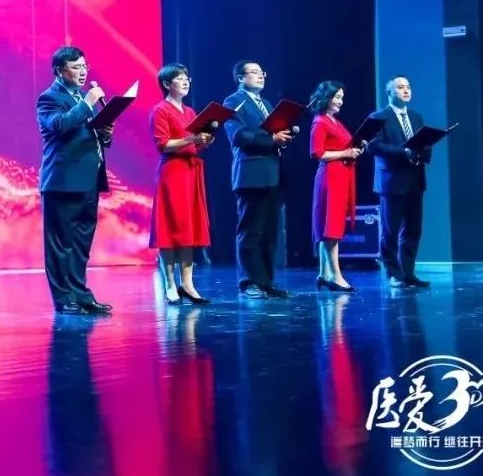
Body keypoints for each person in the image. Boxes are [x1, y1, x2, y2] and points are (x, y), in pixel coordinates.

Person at [37, 46, 114, 314]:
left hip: (89, 179)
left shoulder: (82, 98)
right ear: (60, 71)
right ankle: (64, 298)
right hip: (63, 181)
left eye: (84, 66)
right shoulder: (49, 98)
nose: (83, 72)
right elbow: (59, 125)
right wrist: (88, 103)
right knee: (60, 244)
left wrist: (105, 133)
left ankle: (81, 294)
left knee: (81, 242)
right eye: (76, 67)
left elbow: (89, 135)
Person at [222, 60, 294, 299]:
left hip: (273, 173)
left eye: (261, 72)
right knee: (250, 230)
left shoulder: (267, 104)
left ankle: (265, 281)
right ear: (240, 78)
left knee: (270, 232)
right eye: (253, 72)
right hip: (250, 174)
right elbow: (239, 135)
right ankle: (248, 282)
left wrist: (283, 137)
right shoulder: (233, 101)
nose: (260, 75)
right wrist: (271, 139)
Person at [148, 63, 214, 305]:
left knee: (189, 228)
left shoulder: (190, 111)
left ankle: (188, 283)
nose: (186, 81)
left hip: (191, 170)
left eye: (187, 77)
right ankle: (169, 283)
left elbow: (194, 145)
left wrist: (204, 141)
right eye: (180, 78)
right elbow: (163, 144)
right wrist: (192, 139)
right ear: (167, 84)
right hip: (173, 172)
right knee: (170, 228)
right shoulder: (160, 110)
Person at [366, 75, 431, 288]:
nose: (406, 90)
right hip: (392, 181)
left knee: (413, 229)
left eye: (408, 87)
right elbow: (373, 146)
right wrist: (404, 152)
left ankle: (408, 273)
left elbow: (424, 143)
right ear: (389, 93)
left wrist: (423, 152)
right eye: (401, 87)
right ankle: (393, 273)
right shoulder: (379, 117)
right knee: (390, 230)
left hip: (415, 179)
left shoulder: (416, 117)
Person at [307, 80, 360, 292]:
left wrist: (355, 148)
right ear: (326, 98)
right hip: (331, 177)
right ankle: (336, 276)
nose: (340, 101)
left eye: (341, 98)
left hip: (341, 175)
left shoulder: (334, 121)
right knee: (331, 226)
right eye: (336, 97)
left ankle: (324, 273)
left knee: (330, 224)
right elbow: (317, 153)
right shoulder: (320, 122)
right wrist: (345, 153)